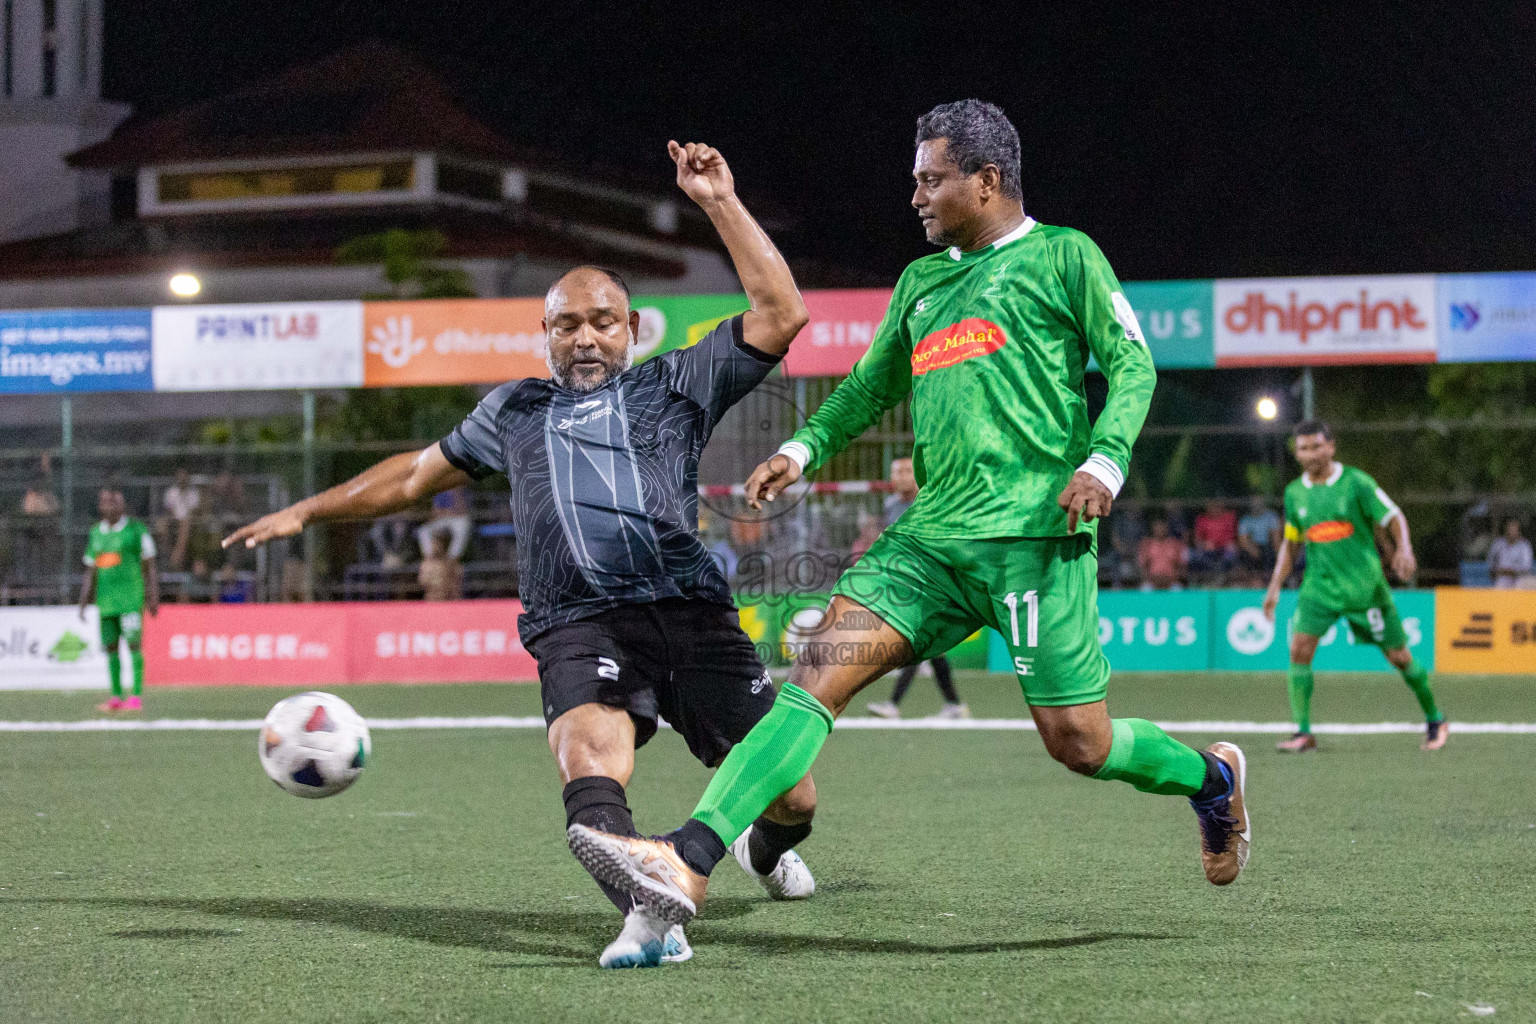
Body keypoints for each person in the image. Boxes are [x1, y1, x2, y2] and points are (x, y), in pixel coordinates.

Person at [569, 101, 1250, 930]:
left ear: (987, 181)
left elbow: (1132, 366)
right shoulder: (922, 284)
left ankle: (1211, 782)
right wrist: (803, 450)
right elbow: (867, 387)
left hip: (1034, 542)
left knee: (1081, 744)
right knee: (819, 669)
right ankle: (691, 856)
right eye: (915, 181)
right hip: (928, 546)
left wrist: (1102, 460)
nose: (917, 196)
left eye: (932, 180)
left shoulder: (1066, 256)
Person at [225, 141, 816, 969]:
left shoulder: (676, 382)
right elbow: (412, 476)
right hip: (577, 621)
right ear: (542, 334)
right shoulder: (515, 410)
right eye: (565, 324)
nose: (583, 338)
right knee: (586, 755)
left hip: (690, 613)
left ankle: (759, 847)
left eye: (601, 322)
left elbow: (782, 313)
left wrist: (717, 200)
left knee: (793, 794)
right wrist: (307, 509)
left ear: (632, 330)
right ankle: (656, 919)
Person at [1263, 420, 1447, 753]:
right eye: (1303, 448)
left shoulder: (1356, 482)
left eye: (1317, 446)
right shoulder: (1294, 493)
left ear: (1331, 446)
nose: (1310, 454)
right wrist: (1274, 587)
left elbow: (1393, 516)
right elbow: (1291, 544)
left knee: (1399, 656)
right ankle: (1303, 732)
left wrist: (1403, 547)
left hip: (1365, 588)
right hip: (1319, 588)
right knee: (1299, 649)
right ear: (1297, 453)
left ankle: (1436, 719)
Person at [865, 457, 967, 719]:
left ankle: (894, 705)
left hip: (933, 582)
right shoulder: (890, 506)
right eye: (896, 471)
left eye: (906, 470)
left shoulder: (931, 502)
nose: (900, 476)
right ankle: (954, 705)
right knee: (928, 645)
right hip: (906, 583)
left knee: (916, 642)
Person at [78, 487, 159, 712]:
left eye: (114, 502)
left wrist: (153, 595)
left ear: (122, 505)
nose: (109, 506)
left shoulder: (135, 530)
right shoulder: (96, 532)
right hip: (106, 602)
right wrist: (84, 600)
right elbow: (90, 570)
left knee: (134, 645)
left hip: (131, 599)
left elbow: (150, 564)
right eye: (105, 502)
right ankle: (115, 696)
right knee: (111, 648)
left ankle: (136, 697)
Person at [417, 485, 472, 561]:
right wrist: (447, 512)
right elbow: (435, 512)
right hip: (442, 519)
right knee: (423, 530)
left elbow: (463, 511)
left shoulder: (461, 489)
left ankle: (453, 558)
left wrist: (456, 492)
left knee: (464, 525)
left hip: (457, 519)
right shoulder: (440, 491)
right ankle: (429, 558)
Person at [1237, 496, 1282, 586]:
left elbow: (1276, 539)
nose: (1256, 506)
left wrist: (1280, 557)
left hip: (1268, 548)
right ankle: (1254, 579)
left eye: (1258, 504)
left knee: (1270, 556)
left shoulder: (1271, 517)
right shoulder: (1245, 520)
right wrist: (1258, 555)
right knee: (1246, 555)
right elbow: (1244, 541)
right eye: (1254, 504)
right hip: (1253, 549)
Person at [161, 468, 200, 570]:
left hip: (189, 521)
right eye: (180, 476)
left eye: (184, 476)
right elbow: (169, 510)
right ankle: (167, 555)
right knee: (160, 524)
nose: (182, 479)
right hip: (174, 520)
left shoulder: (194, 493)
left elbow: (194, 512)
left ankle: (175, 560)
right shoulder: (171, 492)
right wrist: (174, 518)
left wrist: (184, 518)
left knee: (185, 525)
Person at [1191, 500, 1239, 583]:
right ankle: (1208, 580)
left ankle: (1227, 580)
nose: (1214, 508)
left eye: (1217, 506)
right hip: (1209, 548)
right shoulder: (1202, 519)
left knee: (1232, 552)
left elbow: (1235, 536)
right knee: (1198, 556)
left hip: (1226, 546)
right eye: (1211, 506)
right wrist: (1204, 544)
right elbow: (1197, 539)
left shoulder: (1229, 517)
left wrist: (1229, 543)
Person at [1137, 516, 1189, 590]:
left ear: (1166, 527)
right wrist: (1153, 580)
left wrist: (1171, 579)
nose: (1160, 529)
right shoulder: (1146, 544)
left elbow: (1182, 565)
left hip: (1172, 581)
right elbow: (1143, 566)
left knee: (1178, 590)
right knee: (1145, 590)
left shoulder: (1175, 544)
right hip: (1152, 581)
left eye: (1162, 526)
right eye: (1157, 526)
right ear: (1153, 528)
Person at [1488, 517, 1533, 589]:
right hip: (1501, 579)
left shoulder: (1524, 546)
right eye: (1510, 528)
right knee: (1500, 585)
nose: (1512, 531)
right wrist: (1497, 572)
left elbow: (1526, 567)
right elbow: (1491, 564)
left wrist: (1509, 571)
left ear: (1519, 531)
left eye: (1514, 529)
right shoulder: (1498, 544)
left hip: (1519, 579)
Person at [417, 532, 464, 600]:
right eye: (433, 543)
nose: (434, 546)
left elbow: (457, 588)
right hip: (431, 600)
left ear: (445, 545)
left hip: (450, 601)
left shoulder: (454, 565)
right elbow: (422, 581)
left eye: (438, 544)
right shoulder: (428, 563)